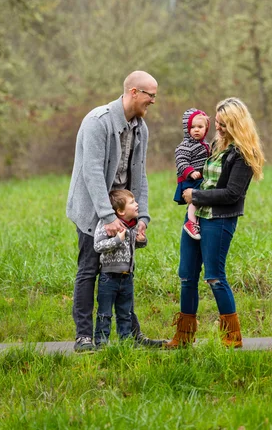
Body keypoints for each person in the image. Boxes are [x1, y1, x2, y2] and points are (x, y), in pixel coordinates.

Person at [67, 70, 165, 352]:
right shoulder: (97, 122)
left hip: (123, 210)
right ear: (134, 92)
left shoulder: (140, 128)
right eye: (151, 95)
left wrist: (142, 217)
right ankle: (84, 337)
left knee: (123, 271)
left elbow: (140, 175)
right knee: (89, 269)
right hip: (92, 208)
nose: (153, 101)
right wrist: (107, 218)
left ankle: (130, 334)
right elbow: (92, 173)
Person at [165, 97, 265, 350]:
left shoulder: (243, 154)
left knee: (215, 277)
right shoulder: (216, 145)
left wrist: (195, 196)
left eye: (222, 124)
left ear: (235, 124)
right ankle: (184, 335)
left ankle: (232, 337)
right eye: (216, 123)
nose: (216, 128)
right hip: (197, 217)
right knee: (187, 276)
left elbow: (232, 194)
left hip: (219, 220)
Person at [94, 189, 147, 347]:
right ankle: (102, 342)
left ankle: (126, 342)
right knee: (105, 313)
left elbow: (133, 246)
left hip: (127, 277)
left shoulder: (133, 226)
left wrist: (141, 240)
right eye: (132, 203)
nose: (137, 204)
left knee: (125, 312)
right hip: (109, 277)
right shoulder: (106, 225)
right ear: (120, 211)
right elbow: (98, 246)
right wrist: (117, 239)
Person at [173, 108, 210, 240]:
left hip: (199, 178)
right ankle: (191, 223)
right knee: (194, 199)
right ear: (186, 129)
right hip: (189, 180)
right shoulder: (185, 145)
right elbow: (181, 161)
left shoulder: (205, 144)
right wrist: (190, 172)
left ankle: (196, 220)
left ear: (206, 128)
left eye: (200, 127)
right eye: (192, 127)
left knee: (199, 199)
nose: (196, 130)